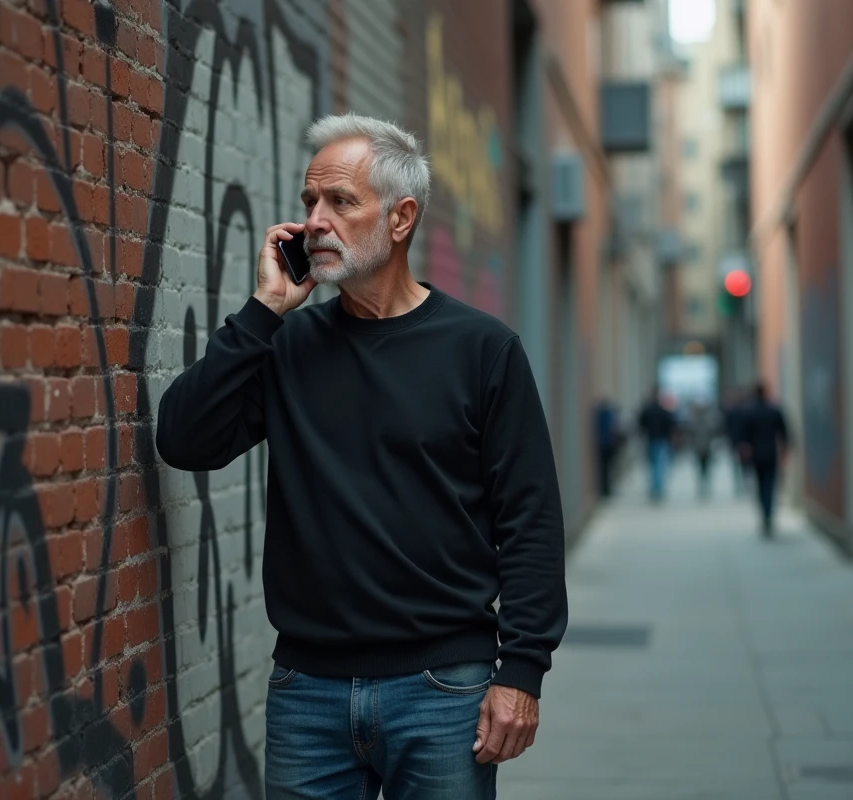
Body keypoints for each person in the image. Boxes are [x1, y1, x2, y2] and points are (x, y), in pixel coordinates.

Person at [156, 113, 568, 799]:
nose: (316, 220)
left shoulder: (482, 351)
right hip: (306, 692)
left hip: (444, 690)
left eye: (340, 202)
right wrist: (264, 309)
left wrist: (520, 672)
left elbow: (530, 522)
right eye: (308, 202)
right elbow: (184, 439)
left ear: (401, 218)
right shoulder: (286, 345)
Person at [739, 381, 792, 537]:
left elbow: (742, 435)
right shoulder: (773, 410)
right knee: (769, 484)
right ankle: (768, 513)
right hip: (770, 453)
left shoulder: (748, 412)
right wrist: (785, 450)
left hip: (755, 454)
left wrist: (744, 448)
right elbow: (785, 433)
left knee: (760, 485)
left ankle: (764, 512)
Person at [636, 388, 677, 502]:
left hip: (650, 440)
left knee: (652, 465)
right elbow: (672, 425)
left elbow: (640, 425)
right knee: (660, 465)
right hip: (662, 440)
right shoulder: (663, 411)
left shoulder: (646, 411)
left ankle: (654, 487)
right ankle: (658, 488)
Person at [684, 399, 721, 499]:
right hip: (701, 447)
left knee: (704, 467)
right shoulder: (700, 421)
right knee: (702, 467)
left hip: (703, 447)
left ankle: (704, 484)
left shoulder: (703, 420)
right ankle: (703, 484)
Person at [724, 388, 751, 496]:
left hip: (735, 441)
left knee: (737, 463)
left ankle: (739, 482)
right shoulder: (746, 411)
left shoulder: (732, 413)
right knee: (743, 463)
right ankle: (744, 481)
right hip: (742, 441)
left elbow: (727, 427)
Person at [594, 397, 623, 498]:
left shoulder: (603, 415)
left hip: (604, 444)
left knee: (605, 468)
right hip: (607, 445)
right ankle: (606, 489)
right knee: (606, 468)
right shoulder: (607, 415)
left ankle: (605, 488)